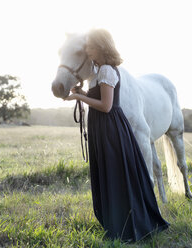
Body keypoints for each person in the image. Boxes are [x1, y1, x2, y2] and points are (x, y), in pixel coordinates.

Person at [64, 29, 169, 242]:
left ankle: (128, 223)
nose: (87, 51)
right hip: (103, 126)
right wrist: (82, 94)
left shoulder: (106, 71)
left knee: (115, 174)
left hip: (109, 127)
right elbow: (101, 97)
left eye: (91, 47)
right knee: (111, 174)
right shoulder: (102, 71)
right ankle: (118, 221)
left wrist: (79, 98)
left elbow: (105, 106)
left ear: (101, 48)